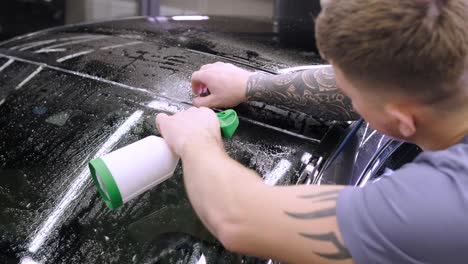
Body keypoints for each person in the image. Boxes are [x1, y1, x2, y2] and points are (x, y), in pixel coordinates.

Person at [156, 0, 468, 263]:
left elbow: (238, 218)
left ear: (402, 122)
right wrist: (250, 85)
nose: (352, 101)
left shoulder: (441, 206)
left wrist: (197, 141)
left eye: (356, 98)